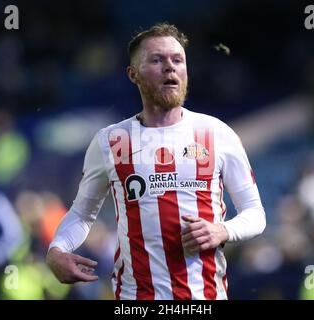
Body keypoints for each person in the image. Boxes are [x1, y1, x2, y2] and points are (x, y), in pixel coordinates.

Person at [46, 23, 266, 300]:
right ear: (133, 74)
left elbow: (255, 214)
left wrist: (223, 229)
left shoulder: (217, 133)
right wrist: (57, 249)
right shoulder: (110, 141)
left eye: (177, 60)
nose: (170, 67)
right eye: (157, 60)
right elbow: (82, 213)